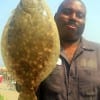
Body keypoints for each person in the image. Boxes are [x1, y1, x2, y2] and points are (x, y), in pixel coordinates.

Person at [36, 0, 100, 100]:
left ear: (84, 21)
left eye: (79, 15)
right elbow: (26, 88)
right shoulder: (40, 51)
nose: (73, 18)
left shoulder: (98, 53)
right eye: (66, 12)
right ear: (55, 17)